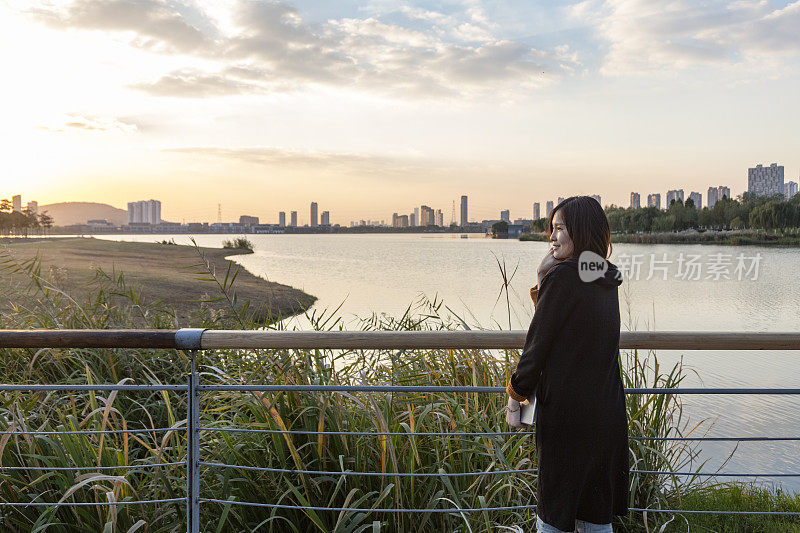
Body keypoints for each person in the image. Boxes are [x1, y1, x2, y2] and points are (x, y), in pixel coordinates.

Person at [505, 196, 629, 533]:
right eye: (552, 229)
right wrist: (545, 277)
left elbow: (538, 344)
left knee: (554, 515)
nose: (552, 237)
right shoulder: (604, 276)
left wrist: (516, 395)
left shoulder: (562, 278)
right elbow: (567, 327)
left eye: (560, 228)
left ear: (581, 230)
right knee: (594, 515)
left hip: (569, 416)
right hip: (606, 412)